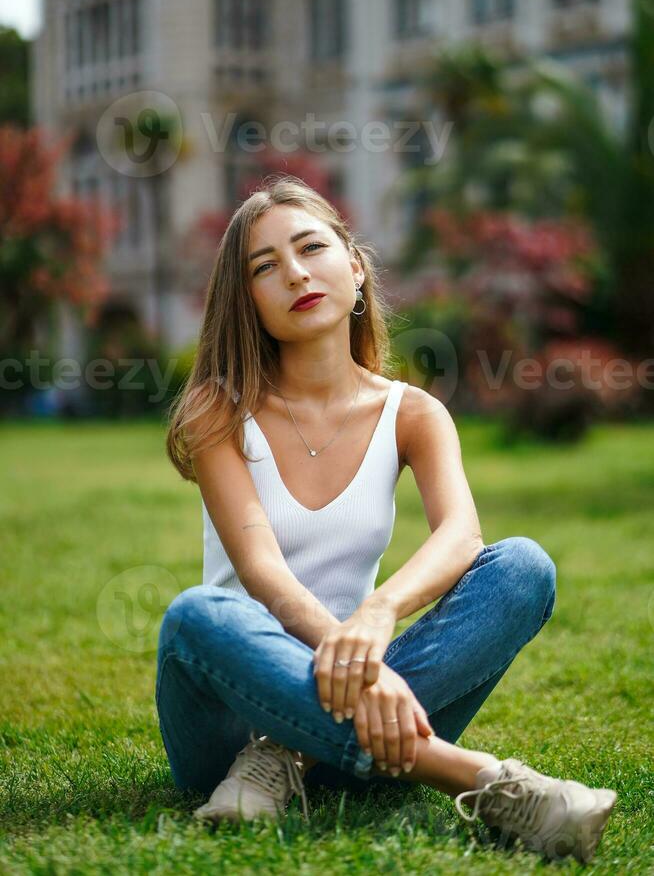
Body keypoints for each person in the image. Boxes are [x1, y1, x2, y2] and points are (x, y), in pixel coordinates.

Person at [158, 175, 616, 864]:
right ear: (247, 301)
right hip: (230, 733)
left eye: (311, 248)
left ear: (356, 267)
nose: (295, 274)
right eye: (265, 268)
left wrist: (378, 615)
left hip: (360, 709)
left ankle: (290, 762)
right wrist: (366, 671)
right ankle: (486, 783)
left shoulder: (412, 413)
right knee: (200, 615)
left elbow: (461, 534)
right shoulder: (220, 410)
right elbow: (260, 570)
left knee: (523, 568)